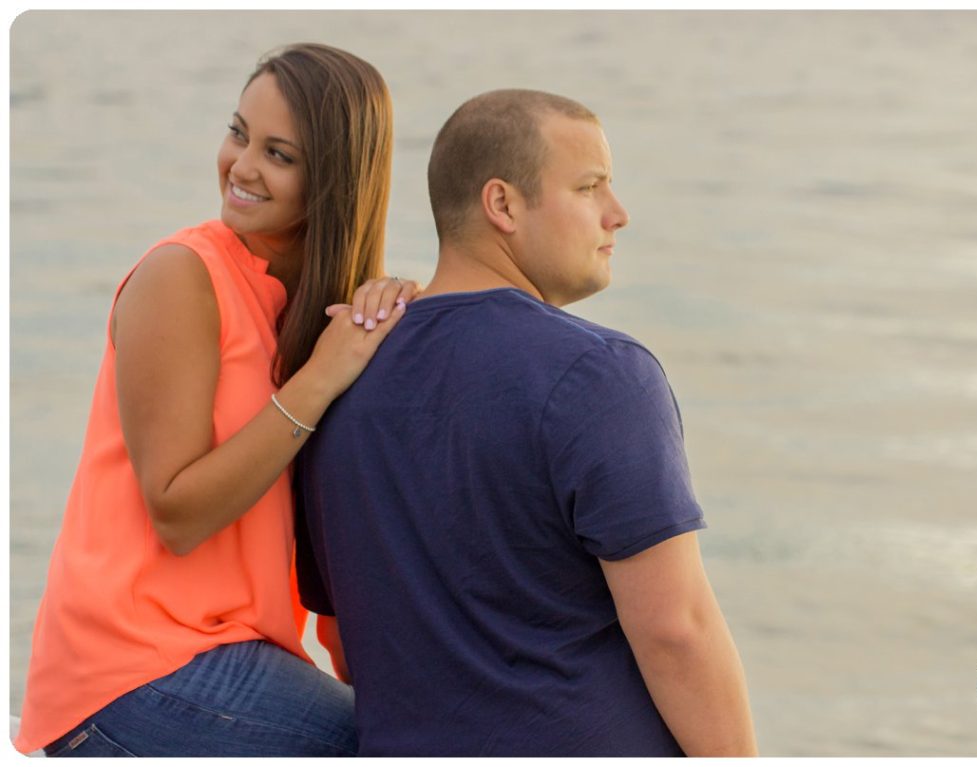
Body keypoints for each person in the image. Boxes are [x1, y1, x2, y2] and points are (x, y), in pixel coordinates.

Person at [296, 89, 758, 756]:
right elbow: (676, 630)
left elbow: (345, 644)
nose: (618, 214)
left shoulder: (336, 381)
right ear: (503, 204)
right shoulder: (599, 375)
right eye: (590, 187)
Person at [14, 43, 417, 757]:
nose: (241, 166)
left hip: (234, 656)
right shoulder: (182, 276)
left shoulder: (322, 314)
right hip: (129, 669)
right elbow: (175, 509)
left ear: (334, 180)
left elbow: (338, 535)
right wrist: (321, 377)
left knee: (433, 726)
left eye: (279, 154)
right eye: (238, 133)